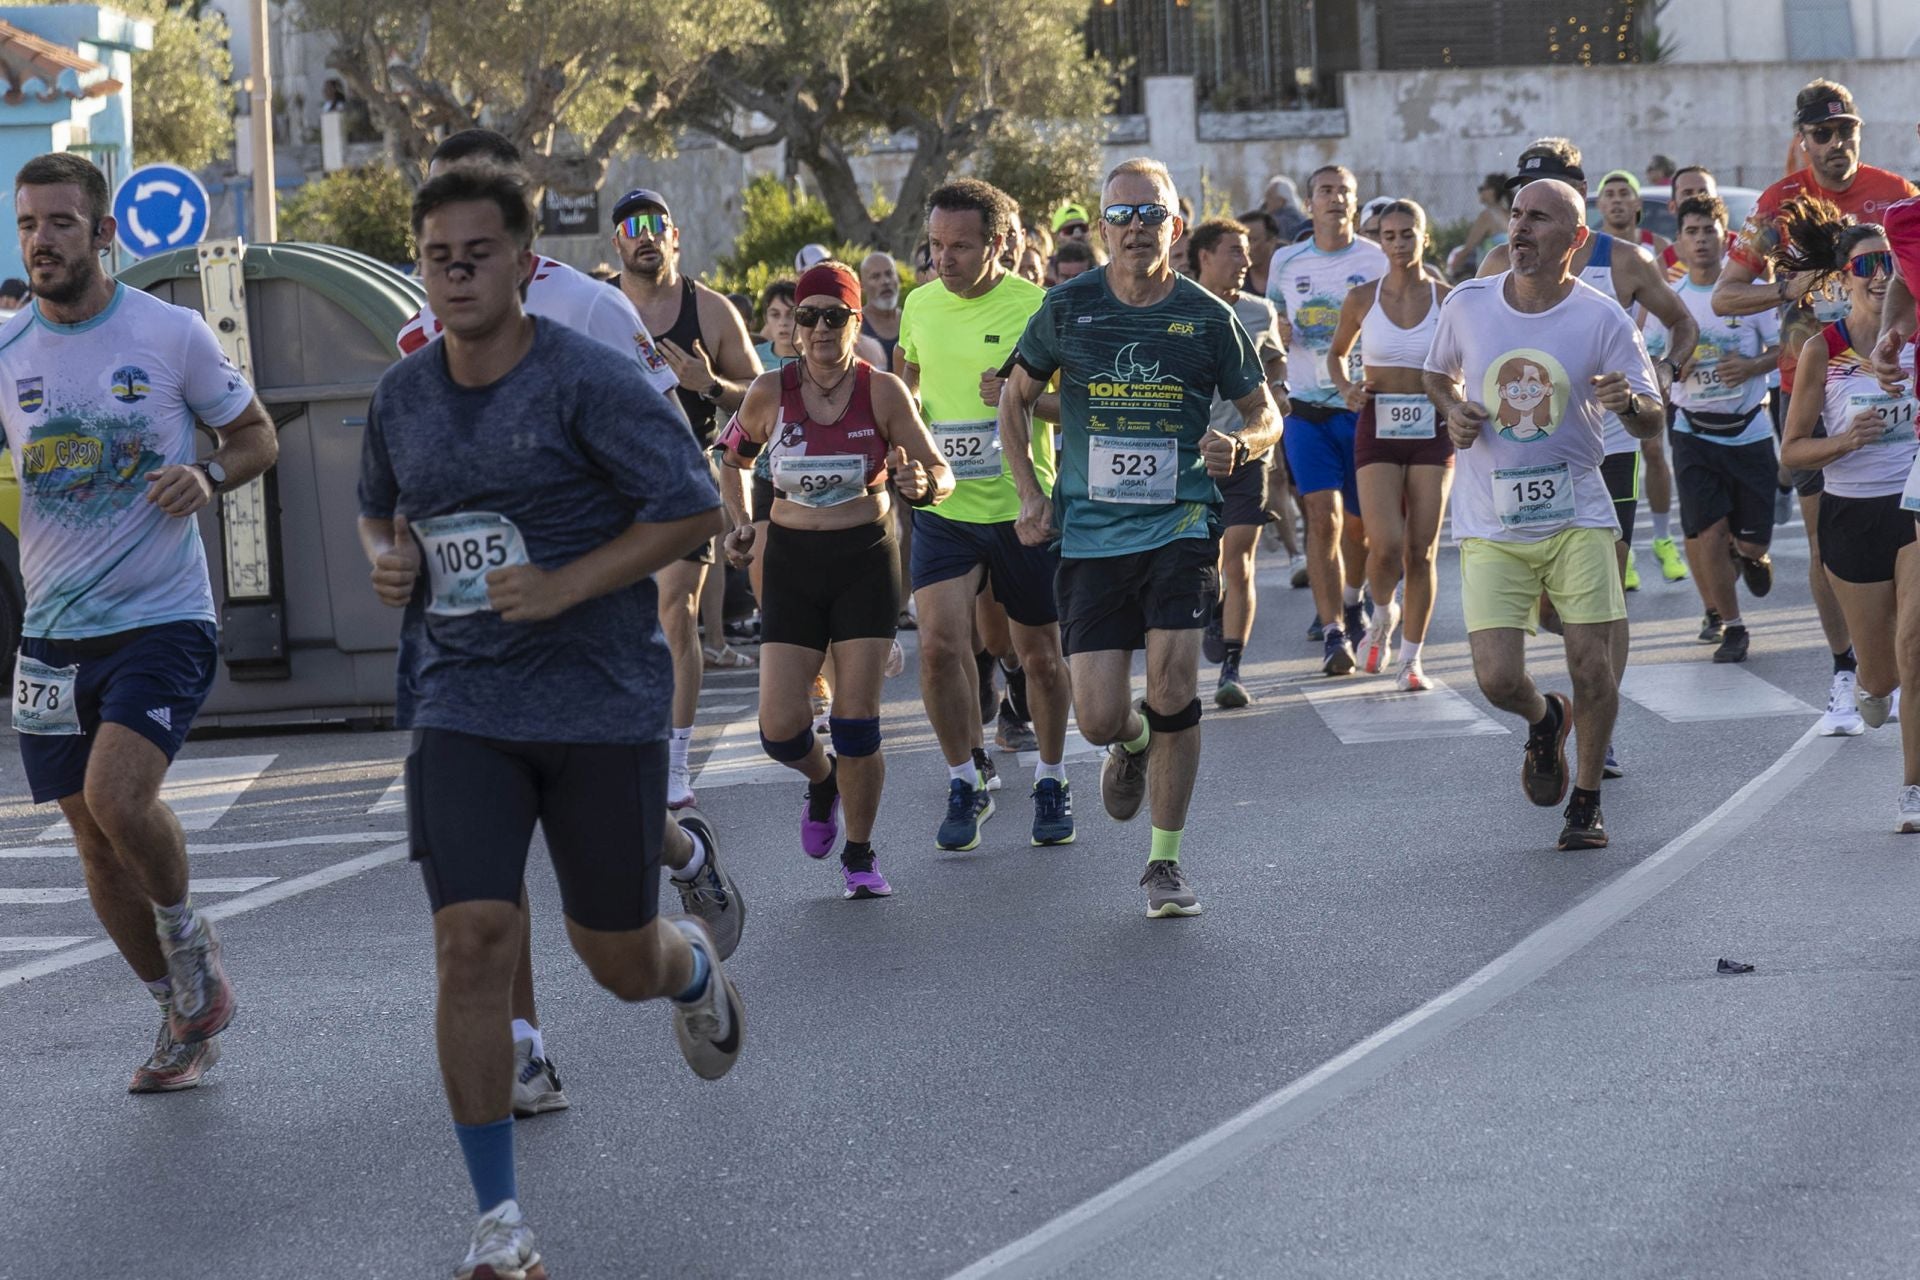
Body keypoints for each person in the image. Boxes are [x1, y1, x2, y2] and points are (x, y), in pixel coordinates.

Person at [357, 163, 744, 1280]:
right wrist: (388, 563)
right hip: (461, 699)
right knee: (470, 941)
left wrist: (570, 584)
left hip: (597, 702)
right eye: (438, 256)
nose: (458, 273)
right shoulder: (404, 396)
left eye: (479, 254)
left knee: (613, 955)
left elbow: (693, 508)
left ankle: (688, 971)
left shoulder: (588, 380)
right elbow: (383, 512)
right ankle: (500, 1222)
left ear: (528, 265)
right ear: (421, 270)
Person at [1, 151, 277, 1093]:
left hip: (162, 617)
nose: (41, 240)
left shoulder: (172, 333)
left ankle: (186, 935)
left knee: (120, 800)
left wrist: (207, 474)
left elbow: (258, 436)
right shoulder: (6, 353)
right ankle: (180, 1010)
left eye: (61, 224)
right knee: (88, 837)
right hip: (50, 633)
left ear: (104, 234)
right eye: (29, 223)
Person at [998, 157, 1281, 917]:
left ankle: (1164, 863)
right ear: (1100, 228)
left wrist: (1245, 445)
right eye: (1120, 216)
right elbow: (1015, 399)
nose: (1134, 229)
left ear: (1175, 226)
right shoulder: (1068, 308)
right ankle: (1128, 746)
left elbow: (1265, 412)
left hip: (1182, 525)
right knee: (1097, 715)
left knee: (1173, 687)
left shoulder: (1205, 316)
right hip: (1091, 533)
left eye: (1149, 214)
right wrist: (1030, 493)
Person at [1423, 177, 1664, 851]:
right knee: (1496, 677)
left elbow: (1652, 417)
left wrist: (1627, 404)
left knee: (1593, 665)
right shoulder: (1469, 304)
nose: (1520, 229)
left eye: (1540, 219)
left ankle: (1584, 801)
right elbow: (1437, 373)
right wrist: (1453, 410)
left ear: (1576, 240)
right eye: (1516, 215)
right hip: (1489, 520)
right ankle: (1542, 718)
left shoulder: (1601, 318)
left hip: (1577, 516)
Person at [720, 261, 954, 897]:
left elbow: (940, 470)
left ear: (855, 323)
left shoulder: (883, 393)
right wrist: (740, 522)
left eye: (835, 316)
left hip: (864, 560)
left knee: (857, 723)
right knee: (778, 730)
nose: (821, 328)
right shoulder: (769, 391)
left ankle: (860, 851)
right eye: (808, 316)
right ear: (793, 327)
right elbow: (733, 459)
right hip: (792, 561)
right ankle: (822, 782)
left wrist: (925, 484)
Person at [1482, 142, 1698, 778]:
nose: (1528, 215)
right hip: (1528, 450)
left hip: (1609, 448)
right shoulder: (1501, 262)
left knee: (1603, 603)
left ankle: (1599, 728)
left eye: (1547, 193)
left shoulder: (1623, 259)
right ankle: (1559, 710)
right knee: (1552, 610)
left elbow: (1681, 324)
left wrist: (1660, 375)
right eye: (1523, 194)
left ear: (1576, 199)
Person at [1714, 79, 1916, 736]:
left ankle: (1896, 657)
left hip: (1892, 380)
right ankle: (1844, 668)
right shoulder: (1778, 207)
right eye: (1822, 135)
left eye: (1846, 132)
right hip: (1813, 378)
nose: (1836, 146)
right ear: (1803, 139)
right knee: (1831, 539)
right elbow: (1724, 296)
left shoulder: (1896, 194)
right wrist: (1787, 292)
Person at [896, 178, 1075, 849]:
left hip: (1022, 506)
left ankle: (1052, 777)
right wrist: (907, 457)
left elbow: (1078, 405)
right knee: (940, 648)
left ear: (997, 244)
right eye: (937, 245)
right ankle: (964, 780)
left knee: (1042, 659)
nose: (945, 258)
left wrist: (1021, 399)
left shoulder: (1039, 306)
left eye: (961, 246)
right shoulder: (919, 306)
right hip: (946, 506)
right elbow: (904, 393)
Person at [612, 186, 763, 810]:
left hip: (685, 475)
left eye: (657, 224)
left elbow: (762, 397)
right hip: (610, 484)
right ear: (617, 243)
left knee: (676, 610)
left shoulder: (712, 311)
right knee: (621, 623)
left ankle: (674, 766)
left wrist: (711, 384)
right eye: (632, 226)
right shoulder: (600, 306)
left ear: (675, 237)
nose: (646, 235)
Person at [1777, 204, 1920, 812]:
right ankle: (1867, 681)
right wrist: (1846, 440)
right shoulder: (1821, 351)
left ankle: (1912, 789)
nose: (1882, 274)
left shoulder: (1913, 337)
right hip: (1851, 514)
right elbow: (1792, 452)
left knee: (1914, 650)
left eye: (1891, 260)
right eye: (1867, 264)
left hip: (1911, 505)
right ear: (1843, 278)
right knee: (1883, 676)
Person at [1327, 199, 1454, 688]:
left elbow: (1468, 355)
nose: (1399, 244)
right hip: (1377, 425)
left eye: (1408, 234)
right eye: (1389, 235)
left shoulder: (1449, 298)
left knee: (1421, 551)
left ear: (1425, 238)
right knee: (1384, 545)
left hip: (1432, 427)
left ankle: (1411, 660)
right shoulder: (1362, 298)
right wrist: (1346, 388)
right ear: (1379, 241)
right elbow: (1337, 356)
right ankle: (1382, 614)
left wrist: (1458, 393)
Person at [1267, 163, 1388, 674]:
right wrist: (1280, 330)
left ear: (1354, 205)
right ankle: (1334, 631)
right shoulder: (1286, 261)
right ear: (1310, 204)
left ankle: (1354, 599)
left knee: (1359, 529)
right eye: (1325, 191)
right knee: (1323, 517)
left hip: (1360, 409)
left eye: (1344, 191)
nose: (1335, 198)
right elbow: (1270, 316)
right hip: (1307, 409)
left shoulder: (1375, 257)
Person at [1659, 196, 1783, 664]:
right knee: (1707, 531)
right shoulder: (1671, 300)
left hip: (1749, 430)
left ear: (1725, 236)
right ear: (1679, 242)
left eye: (1709, 230)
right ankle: (1732, 626)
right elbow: (1653, 361)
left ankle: (1750, 554)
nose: (1701, 239)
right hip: (1693, 431)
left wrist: (1751, 366)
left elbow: (1787, 349)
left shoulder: (1748, 292)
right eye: (1691, 231)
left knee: (1752, 539)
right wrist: (1674, 367)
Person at [1190, 218, 1289, 707]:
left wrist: (1282, 389)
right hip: (1191, 453)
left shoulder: (1260, 310)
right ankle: (1212, 601)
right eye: (1235, 251)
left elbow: (1274, 362)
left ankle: (1231, 666)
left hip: (1248, 448)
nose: (1246, 262)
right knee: (1208, 559)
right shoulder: (1181, 304)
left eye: (1247, 252)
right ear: (1204, 255)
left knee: (1241, 554)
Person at [1596, 169, 1671, 261]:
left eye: (1624, 194)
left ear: (1638, 203)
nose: (1617, 200)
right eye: (1609, 195)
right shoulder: (1588, 247)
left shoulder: (1659, 247)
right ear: (1599, 205)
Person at [859, 251, 903, 366]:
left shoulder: (912, 319)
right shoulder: (855, 327)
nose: (885, 281)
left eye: (889, 274)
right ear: (862, 285)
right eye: (875, 276)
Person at [1238, 208, 1282, 297]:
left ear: (1271, 242)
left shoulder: (1289, 276)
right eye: (1241, 242)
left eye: (1252, 240)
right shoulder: (1233, 281)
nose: (1245, 248)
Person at [1262, 175, 1309, 242]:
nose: (1266, 201)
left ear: (1282, 200)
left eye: (1270, 196)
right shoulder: (1302, 218)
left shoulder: (1280, 223)